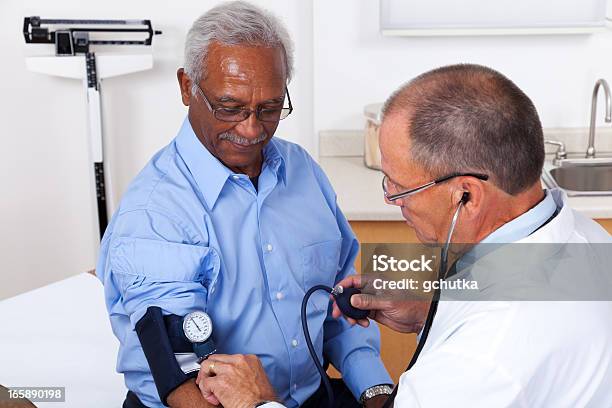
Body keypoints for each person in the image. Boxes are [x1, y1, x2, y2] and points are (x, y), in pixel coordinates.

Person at [195, 64, 612, 407]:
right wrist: (434, 308)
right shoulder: (586, 239)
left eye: (400, 187)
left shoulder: (482, 360)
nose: (393, 200)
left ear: (466, 195)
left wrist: (257, 402)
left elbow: (496, 345)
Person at [96, 2, 391, 407]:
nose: (251, 129)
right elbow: (183, 381)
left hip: (307, 396)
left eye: (269, 109)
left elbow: (341, 302)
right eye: (230, 108)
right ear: (187, 87)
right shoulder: (156, 214)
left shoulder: (302, 172)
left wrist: (377, 392)